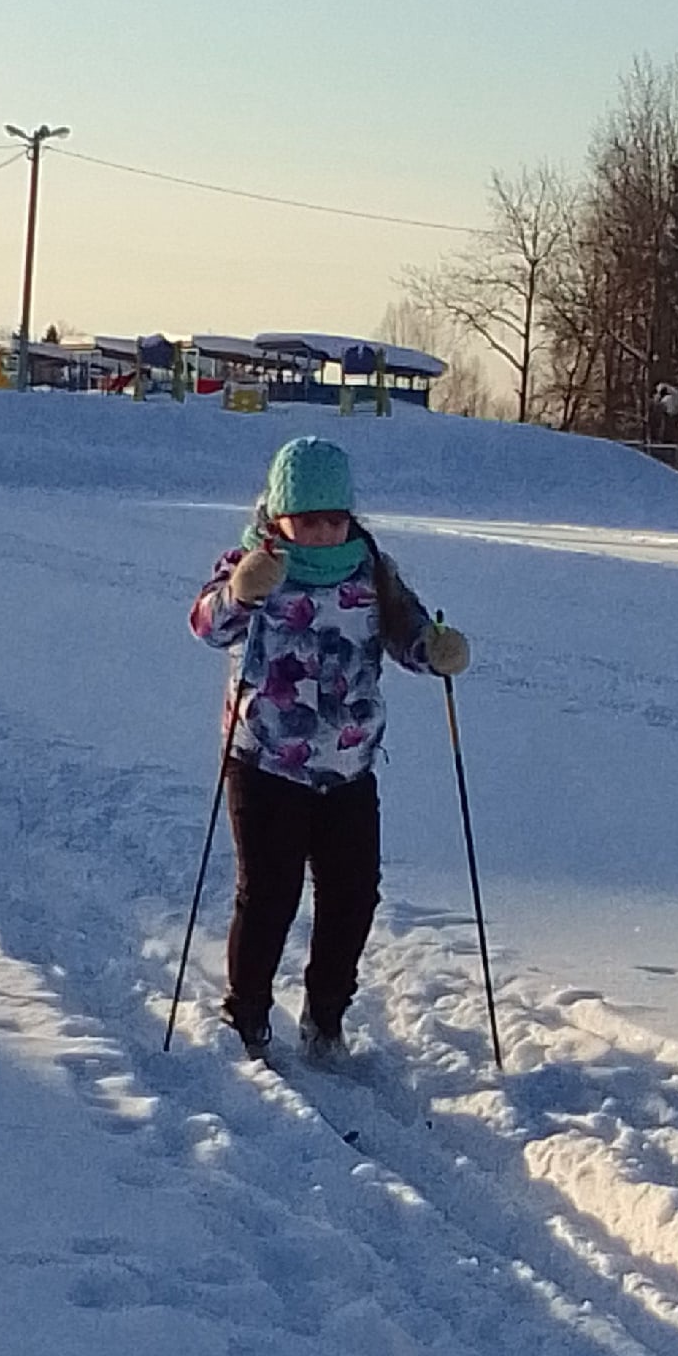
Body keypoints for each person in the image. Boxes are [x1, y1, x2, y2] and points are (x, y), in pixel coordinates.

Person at [190, 435, 469, 1060]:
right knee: (269, 895)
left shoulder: (370, 569)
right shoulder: (252, 562)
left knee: (352, 896)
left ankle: (326, 1013)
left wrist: (437, 648)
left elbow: (408, 633)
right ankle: (248, 1013)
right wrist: (241, 591)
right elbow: (209, 626)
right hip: (264, 761)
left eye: (333, 519)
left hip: (349, 766)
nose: (321, 533)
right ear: (279, 515)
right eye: (307, 520)